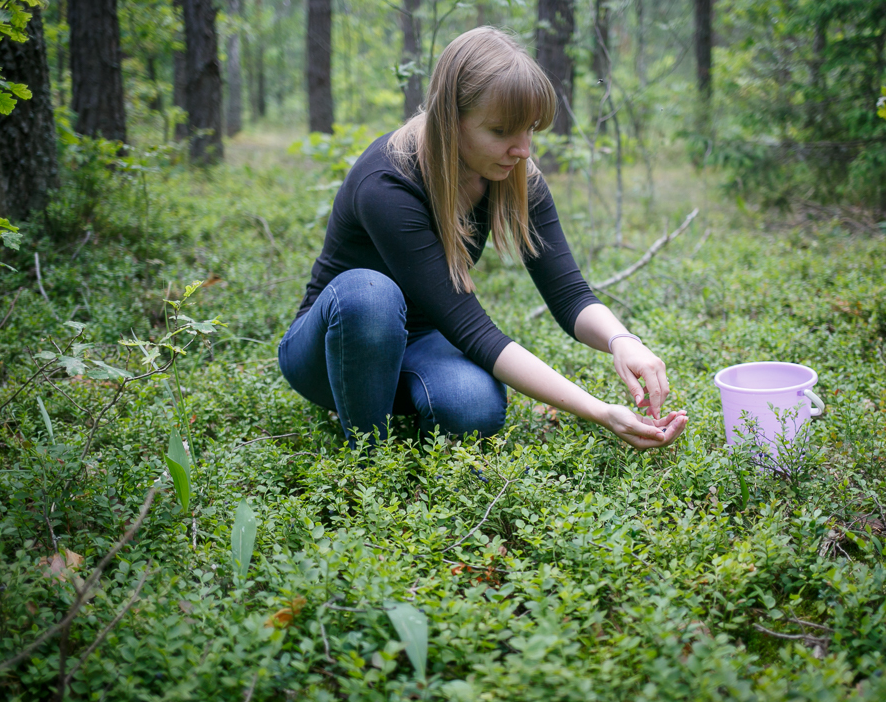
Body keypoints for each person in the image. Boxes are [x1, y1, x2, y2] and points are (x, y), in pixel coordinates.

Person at [278, 27, 688, 450]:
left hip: (420, 341)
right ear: (449, 118)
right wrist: (600, 411)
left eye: (530, 129)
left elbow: (568, 294)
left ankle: (390, 400)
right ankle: (368, 456)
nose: (523, 149)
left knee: (472, 408)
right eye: (501, 131)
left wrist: (623, 341)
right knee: (370, 294)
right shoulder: (388, 182)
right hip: (331, 350)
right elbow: (473, 330)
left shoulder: (513, 176)